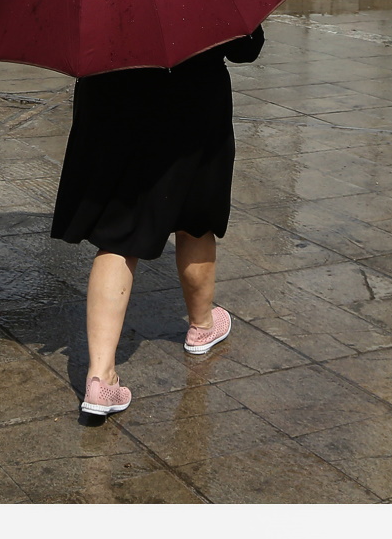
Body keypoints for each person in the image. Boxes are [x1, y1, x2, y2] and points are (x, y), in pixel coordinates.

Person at [52, 27, 265, 417]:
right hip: (192, 105)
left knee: (117, 236)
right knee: (194, 218)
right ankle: (202, 325)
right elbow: (245, 48)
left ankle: (100, 378)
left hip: (111, 102)